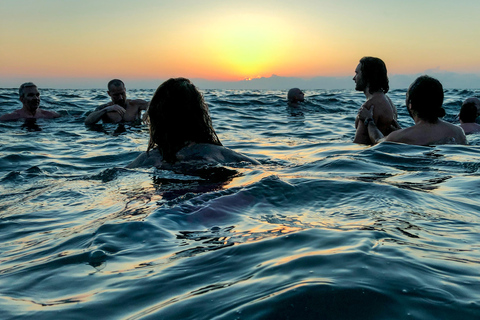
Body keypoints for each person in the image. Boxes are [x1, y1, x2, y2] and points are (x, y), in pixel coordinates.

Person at [127, 78, 259, 168]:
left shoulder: (149, 159)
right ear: (200, 116)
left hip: (171, 206)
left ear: (156, 117)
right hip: (216, 202)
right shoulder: (221, 154)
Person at [358, 75, 467, 146]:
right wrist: (400, 130)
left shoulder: (400, 137)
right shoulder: (458, 132)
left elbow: (378, 142)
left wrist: (369, 121)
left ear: (410, 104)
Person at [353, 57, 398, 144]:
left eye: (357, 73)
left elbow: (358, 143)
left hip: (368, 155)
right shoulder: (389, 102)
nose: (354, 78)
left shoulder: (368, 107)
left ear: (367, 76)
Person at [84, 79, 148, 125]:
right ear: (109, 93)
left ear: (125, 90)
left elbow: (155, 105)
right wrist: (106, 110)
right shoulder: (105, 108)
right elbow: (87, 122)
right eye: (116, 95)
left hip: (133, 136)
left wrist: (148, 111)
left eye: (122, 93)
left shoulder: (136, 104)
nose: (121, 97)